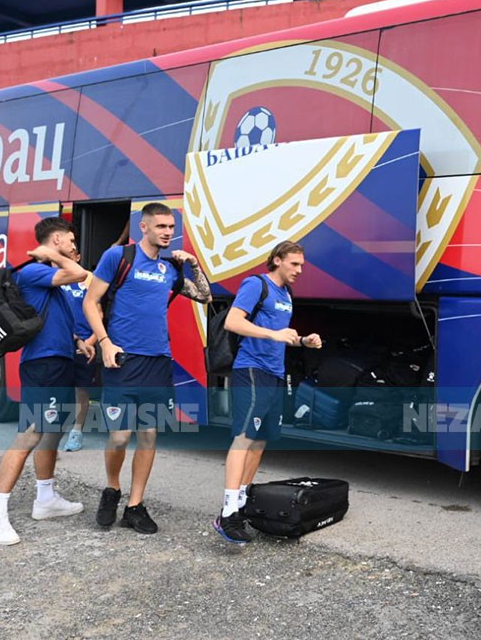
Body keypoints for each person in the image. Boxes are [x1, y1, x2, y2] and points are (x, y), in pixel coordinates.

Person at [83, 203, 211, 534]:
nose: (168, 232)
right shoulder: (119, 258)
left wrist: (194, 265)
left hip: (158, 362)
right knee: (120, 435)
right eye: (161, 226)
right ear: (144, 227)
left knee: (149, 434)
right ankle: (112, 489)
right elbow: (90, 301)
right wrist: (105, 342)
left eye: (171, 227)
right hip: (123, 359)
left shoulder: (171, 269)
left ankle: (135, 505)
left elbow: (204, 296)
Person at [0, 217, 88, 546]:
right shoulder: (33, 271)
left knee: (52, 429)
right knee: (30, 433)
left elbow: (50, 314)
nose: (74, 247)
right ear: (56, 240)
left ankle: (46, 498)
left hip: (59, 358)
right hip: (41, 364)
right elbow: (78, 273)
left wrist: (77, 340)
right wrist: (52, 255)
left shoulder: (46, 276)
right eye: (69, 240)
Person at [213, 241, 323, 545]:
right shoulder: (256, 284)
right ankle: (227, 511)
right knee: (244, 438)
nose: (300, 270)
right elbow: (234, 321)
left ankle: (243, 501)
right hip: (251, 370)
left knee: (260, 441)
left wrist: (302, 341)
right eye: (294, 264)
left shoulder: (286, 294)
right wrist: (273, 334)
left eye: (302, 265)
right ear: (277, 260)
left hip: (275, 373)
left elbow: (279, 334)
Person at [61, 245, 98, 452]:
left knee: (81, 390)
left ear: (78, 257)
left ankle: (76, 432)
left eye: (69, 256)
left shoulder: (89, 280)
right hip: (60, 343)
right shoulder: (54, 279)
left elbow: (99, 313)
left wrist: (91, 341)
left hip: (85, 344)